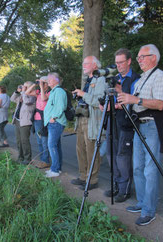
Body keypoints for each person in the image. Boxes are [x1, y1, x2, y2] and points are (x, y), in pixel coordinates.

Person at [118, 44, 163, 226]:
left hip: (152, 126)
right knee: (138, 167)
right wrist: (123, 99)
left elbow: (160, 104)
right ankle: (141, 203)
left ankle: (149, 210)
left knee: (150, 169)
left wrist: (135, 99)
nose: (139, 60)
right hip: (138, 126)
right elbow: (135, 102)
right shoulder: (141, 79)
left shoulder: (160, 76)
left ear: (153, 58)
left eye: (143, 57)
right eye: (139, 57)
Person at [103, 48, 140, 203]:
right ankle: (117, 184)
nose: (118, 65)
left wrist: (118, 102)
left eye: (121, 62)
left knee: (122, 156)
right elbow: (107, 100)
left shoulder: (136, 79)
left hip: (126, 123)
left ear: (129, 61)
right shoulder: (114, 78)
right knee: (111, 154)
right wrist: (106, 104)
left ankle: (125, 190)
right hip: (112, 121)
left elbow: (134, 102)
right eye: (116, 62)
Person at [71, 56, 108, 190]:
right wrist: (79, 95)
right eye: (83, 63)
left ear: (95, 65)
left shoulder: (101, 80)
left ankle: (92, 180)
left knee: (92, 150)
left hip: (92, 120)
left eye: (86, 63)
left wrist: (83, 94)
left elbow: (99, 101)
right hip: (81, 117)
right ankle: (83, 177)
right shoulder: (88, 80)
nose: (83, 66)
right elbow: (86, 99)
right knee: (80, 149)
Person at [44, 72, 67, 178]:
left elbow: (61, 106)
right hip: (54, 122)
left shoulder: (59, 91)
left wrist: (54, 118)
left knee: (52, 145)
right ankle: (57, 168)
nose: (48, 81)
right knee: (56, 146)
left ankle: (55, 170)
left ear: (56, 80)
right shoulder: (53, 91)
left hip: (56, 122)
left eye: (50, 79)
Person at [25, 76, 51, 169]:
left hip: (43, 119)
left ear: (47, 84)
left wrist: (41, 86)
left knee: (44, 141)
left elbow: (44, 99)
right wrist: (34, 84)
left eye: (44, 83)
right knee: (39, 141)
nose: (42, 85)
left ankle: (46, 161)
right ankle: (42, 160)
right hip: (36, 119)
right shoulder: (38, 93)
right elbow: (27, 92)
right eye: (42, 83)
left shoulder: (49, 92)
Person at [11, 81, 36, 164]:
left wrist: (23, 92)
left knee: (24, 140)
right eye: (23, 86)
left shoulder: (32, 96)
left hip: (26, 121)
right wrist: (17, 92)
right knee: (19, 141)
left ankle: (27, 159)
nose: (23, 88)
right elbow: (12, 99)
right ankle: (20, 157)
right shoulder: (23, 95)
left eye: (25, 86)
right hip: (18, 120)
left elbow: (27, 102)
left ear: (29, 87)